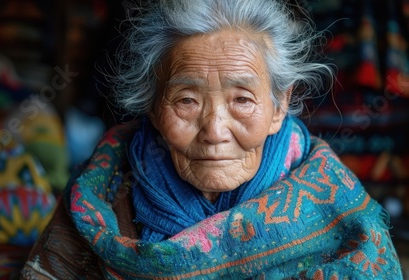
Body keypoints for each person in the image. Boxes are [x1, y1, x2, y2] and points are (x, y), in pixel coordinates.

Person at [22, 0, 403, 278]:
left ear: (278, 106)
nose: (215, 131)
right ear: (153, 108)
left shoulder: (338, 208)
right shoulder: (101, 190)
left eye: (242, 99)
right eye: (187, 101)